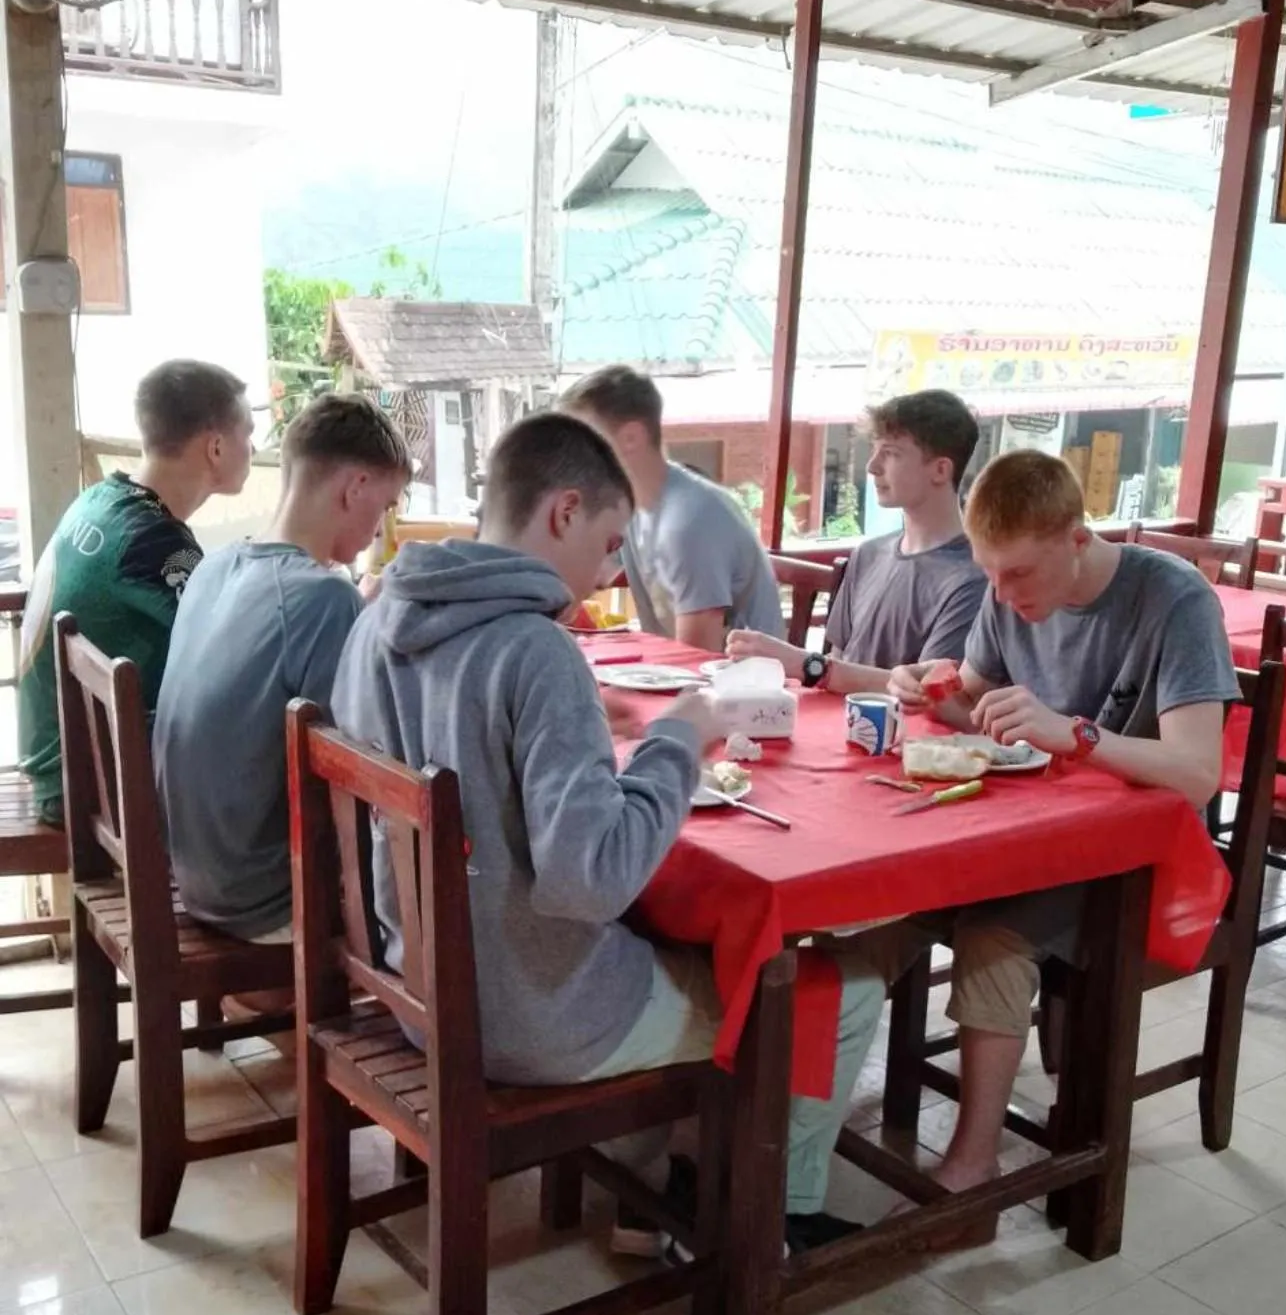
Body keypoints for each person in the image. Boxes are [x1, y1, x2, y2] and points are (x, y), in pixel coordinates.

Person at [331, 411, 884, 1251]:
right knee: (825, 991)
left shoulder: (378, 619)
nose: (614, 565)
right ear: (562, 511)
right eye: (610, 538)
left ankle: (647, 1197)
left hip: (421, 986)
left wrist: (594, 725)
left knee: (673, 937)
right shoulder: (534, 651)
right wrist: (677, 739)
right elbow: (592, 879)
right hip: (527, 1015)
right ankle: (763, 1222)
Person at [879, 448, 1238, 1194]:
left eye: (1019, 576)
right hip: (1030, 832)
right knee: (884, 895)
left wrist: (1075, 734)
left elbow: (1199, 773)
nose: (1004, 596)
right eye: (990, 576)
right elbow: (972, 697)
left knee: (994, 930)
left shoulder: (1174, 599)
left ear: (1076, 538)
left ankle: (972, 1168)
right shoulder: (1005, 590)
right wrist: (925, 688)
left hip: (1136, 859)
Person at [154, 393, 412, 941]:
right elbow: (366, 764)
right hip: (267, 903)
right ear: (355, 488)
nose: (379, 528)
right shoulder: (325, 599)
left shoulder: (215, 565)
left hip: (194, 874)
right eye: (385, 506)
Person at [17, 359, 254, 824]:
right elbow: (238, 652)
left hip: (58, 756)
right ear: (217, 447)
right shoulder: (154, 541)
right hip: (84, 783)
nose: (253, 445)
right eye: (248, 432)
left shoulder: (102, 500)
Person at [725, 389, 986, 693]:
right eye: (875, 451)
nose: (872, 466)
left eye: (891, 453)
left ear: (941, 469)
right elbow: (838, 661)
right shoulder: (868, 554)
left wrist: (807, 665)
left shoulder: (974, 577)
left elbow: (930, 694)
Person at [563, 364, 784, 651]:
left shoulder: (691, 519)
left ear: (631, 437)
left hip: (744, 684)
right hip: (679, 671)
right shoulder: (631, 506)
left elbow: (696, 657)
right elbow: (586, 575)